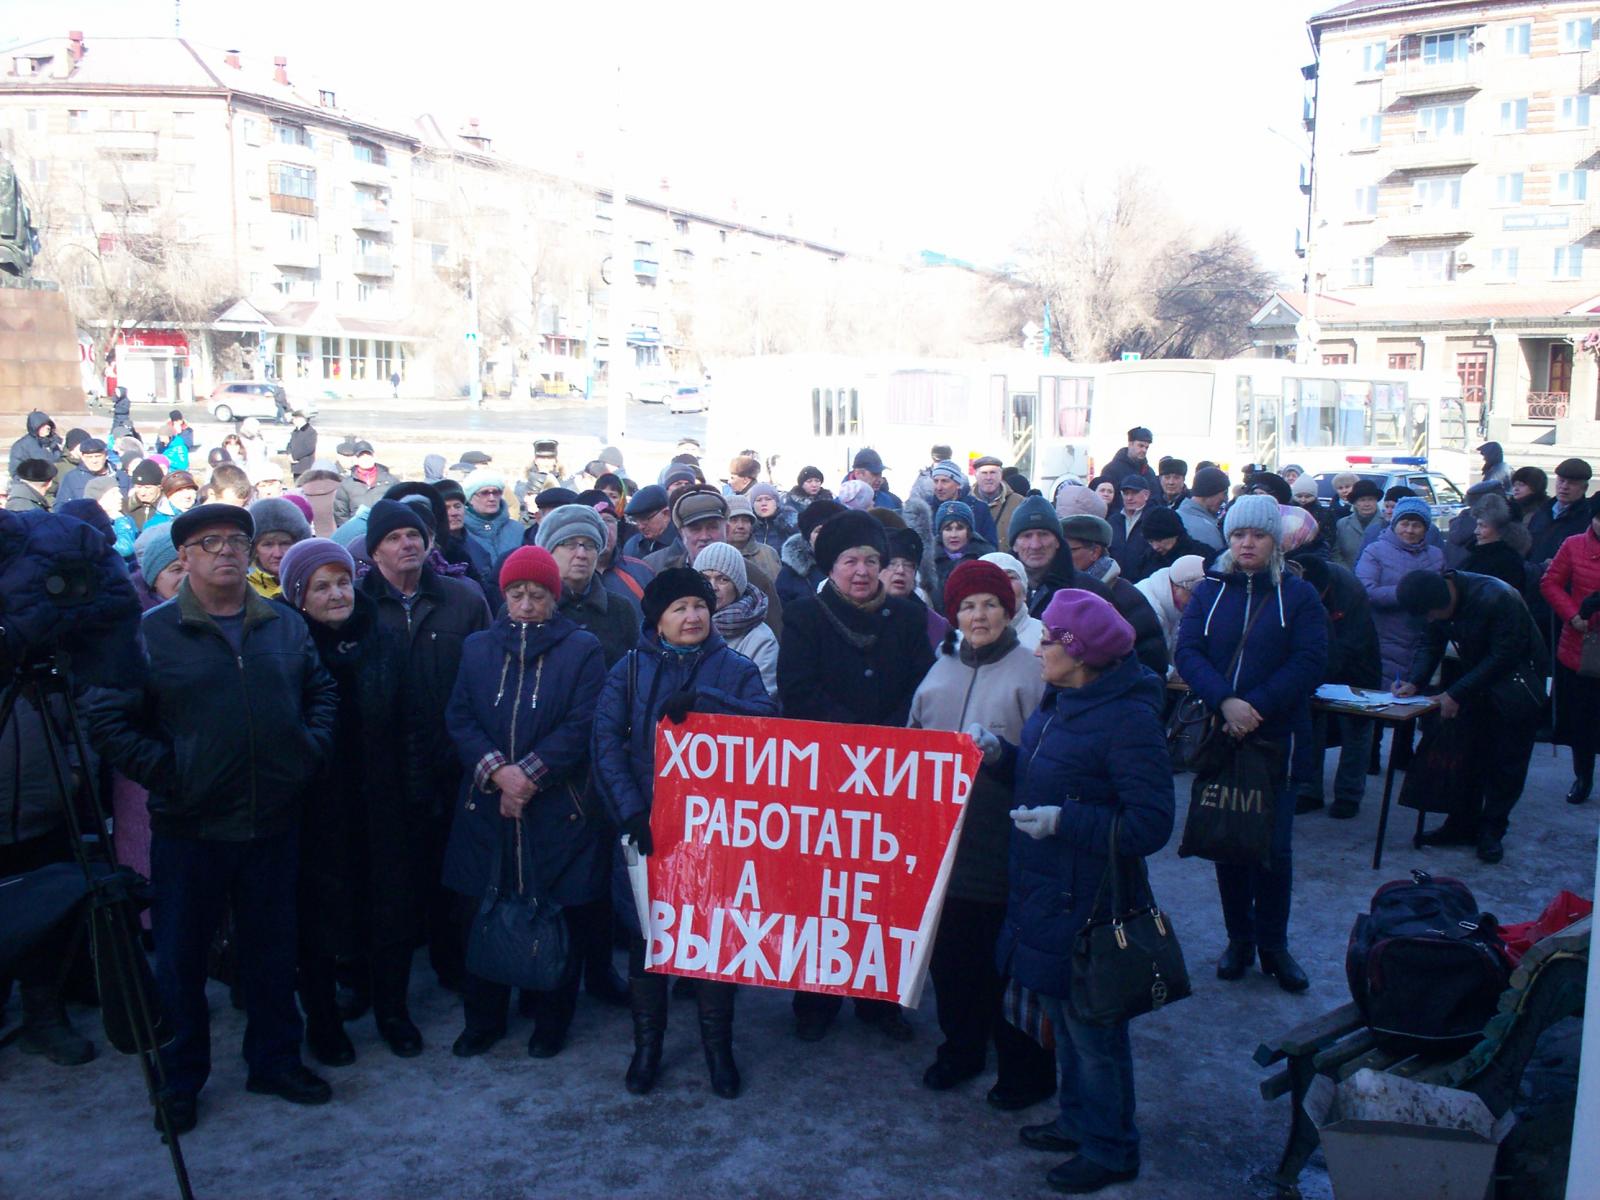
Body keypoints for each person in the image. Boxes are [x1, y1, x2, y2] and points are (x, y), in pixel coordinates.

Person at [86, 503, 339, 1134]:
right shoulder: (150, 633)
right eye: (209, 543)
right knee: (181, 960)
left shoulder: (282, 623)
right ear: (184, 557)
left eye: (236, 541)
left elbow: (321, 692)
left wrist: (307, 751)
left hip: (272, 820)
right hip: (191, 827)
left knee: (272, 952)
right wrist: (172, 772)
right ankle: (179, 1080)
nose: (226, 550)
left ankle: (274, 1060)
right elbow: (109, 718)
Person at [990, 588, 1175, 1195]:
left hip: (1089, 902)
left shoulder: (1127, 720)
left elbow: (1150, 824)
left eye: (1047, 640)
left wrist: (1065, 821)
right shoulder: (1061, 700)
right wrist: (999, 758)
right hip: (1045, 888)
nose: (1037, 648)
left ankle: (1111, 1148)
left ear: (1080, 652)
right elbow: (1044, 774)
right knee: (1064, 1023)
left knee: (1095, 1033)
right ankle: (1077, 1121)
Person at [592, 568, 777, 1097]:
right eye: (680, 609)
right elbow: (605, 742)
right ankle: (647, 1047)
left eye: (699, 606)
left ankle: (719, 1049)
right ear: (658, 620)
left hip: (717, 831)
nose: (692, 616)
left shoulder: (735, 668)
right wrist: (632, 814)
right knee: (647, 939)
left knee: (713, 939)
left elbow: (767, 726)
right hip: (649, 829)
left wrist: (707, 703)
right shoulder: (629, 670)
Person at [442, 546, 610, 1058]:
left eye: (538, 594)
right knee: (484, 910)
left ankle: (551, 1019)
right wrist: (499, 772)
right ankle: (483, 1018)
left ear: (554, 597)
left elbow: (583, 722)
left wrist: (529, 777)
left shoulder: (581, 648)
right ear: (504, 595)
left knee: (556, 913)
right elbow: (460, 716)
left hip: (557, 808)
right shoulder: (477, 647)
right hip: (486, 805)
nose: (527, 604)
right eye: (517, 593)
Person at [777, 511, 935, 1043]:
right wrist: (854, 739)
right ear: (832, 566)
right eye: (850, 561)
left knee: (883, 889)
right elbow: (797, 689)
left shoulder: (908, 617)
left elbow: (921, 687)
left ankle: (878, 999)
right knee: (822, 891)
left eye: (871, 560)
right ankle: (814, 998)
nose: (862, 571)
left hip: (892, 774)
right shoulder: (804, 615)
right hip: (825, 775)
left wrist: (886, 738)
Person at [907, 561, 1055, 1110]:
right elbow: (910, 742)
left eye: (990, 604)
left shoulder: (1032, 672)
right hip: (945, 844)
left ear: (1008, 609)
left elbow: (1049, 759)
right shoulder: (938, 671)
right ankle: (961, 1048)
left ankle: (1020, 1059)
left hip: (1008, 841)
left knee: (1006, 960)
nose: (979, 615)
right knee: (952, 957)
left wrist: (1000, 759)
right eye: (967, 606)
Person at [275, 537, 424, 1063]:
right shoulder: (285, 645)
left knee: (391, 910)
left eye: (343, 582)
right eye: (322, 587)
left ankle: (393, 1011)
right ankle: (324, 1020)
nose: (338, 594)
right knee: (320, 919)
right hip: (316, 806)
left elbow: (409, 719)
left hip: (382, 800)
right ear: (299, 596)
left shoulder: (382, 637)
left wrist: (414, 792)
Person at [1174, 496, 1328, 993]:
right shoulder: (1209, 590)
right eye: (1239, 534)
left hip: (1277, 739)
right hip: (1222, 737)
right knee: (1230, 841)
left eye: (1258, 535)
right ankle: (1238, 939)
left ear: (1274, 541)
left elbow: (1310, 661)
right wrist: (1224, 702)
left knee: (1274, 849)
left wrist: (1253, 706)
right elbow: (1188, 650)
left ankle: (1274, 945)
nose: (1247, 544)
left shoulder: (1298, 595)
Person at [358, 499, 491, 993]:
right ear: (374, 552)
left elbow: (487, 674)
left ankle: (453, 963)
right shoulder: (358, 604)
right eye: (393, 538)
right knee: (392, 879)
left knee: (453, 872)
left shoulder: (464, 599)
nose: (406, 544)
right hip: (384, 765)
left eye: (413, 535)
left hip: (453, 757)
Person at [1396, 570, 1547, 863]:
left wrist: (1456, 693)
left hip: (1516, 688)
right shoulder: (1435, 600)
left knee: (1506, 763)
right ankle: (1461, 824)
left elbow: (1505, 655)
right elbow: (1430, 643)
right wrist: (1415, 681)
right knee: (1467, 756)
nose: (1430, 620)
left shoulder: (1498, 597)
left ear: (1445, 601)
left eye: (1431, 615)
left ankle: (1492, 830)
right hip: (1475, 685)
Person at [0, 683, 96, 1068]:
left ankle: (44, 1017)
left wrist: (76, 770)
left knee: (47, 923)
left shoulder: (40, 655)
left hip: (45, 813)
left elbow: (84, 711)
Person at [1291, 550, 1381, 819]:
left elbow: (1349, 644)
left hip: (1357, 666)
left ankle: (1349, 794)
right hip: (1318, 663)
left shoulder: (1350, 592)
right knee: (1311, 726)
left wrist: (1317, 671)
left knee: (1356, 729)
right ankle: (1309, 790)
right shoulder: (1293, 581)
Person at [644, 485, 782, 636]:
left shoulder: (755, 578)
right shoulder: (662, 575)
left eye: (712, 527)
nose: (704, 536)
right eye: (695, 529)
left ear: (727, 530)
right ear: (682, 534)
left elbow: (775, 633)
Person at [1539, 495, 1600, 804]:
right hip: (1582, 645)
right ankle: (1583, 775)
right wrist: (1573, 615)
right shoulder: (1574, 545)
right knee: (1583, 719)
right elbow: (1550, 583)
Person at [1057, 514, 1169, 677]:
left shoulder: (1123, 598)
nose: (1060, 557)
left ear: (1095, 552)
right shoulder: (1059, 591)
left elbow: (1149, 661)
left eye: (1069, 550)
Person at [1357, 496, 1445, 690]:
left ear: (1426, 529)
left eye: (1416, 525)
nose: (1410, 530)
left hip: (1422, 638)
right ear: (1394, 524)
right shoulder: (1375, 551)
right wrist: (1406, 594)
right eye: (1404, 524)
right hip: (1384, 635)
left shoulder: (1436, 555)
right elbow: (1365, 591)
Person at [697, 542, 779, 696]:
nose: (713, 587)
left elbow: (761, 698)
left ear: (737, 586)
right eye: (705, 578)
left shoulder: (761, 639)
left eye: (723, 579)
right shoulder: (685, 626)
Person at [884, 525, 950, 650]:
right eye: (892, 563)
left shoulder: (935, 624)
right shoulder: (860, 615)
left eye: (908, 565)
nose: (900, 570)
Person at [1133, 553, 1206, 665]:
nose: (1197, 602)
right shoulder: (1149, 609)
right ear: (1176, 587)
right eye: (1193, 594)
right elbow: (1147, 662)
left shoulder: (1170, 606)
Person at [459, 469, 525, 583]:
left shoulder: (517, 529)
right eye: (484, 493)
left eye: (496, 492)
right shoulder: (461, 532)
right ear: (470, 498)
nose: (491, 498)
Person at [775, 497, 843, 607]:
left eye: (830, 529)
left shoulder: (857, 566)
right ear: (808, 536)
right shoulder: (791, 572)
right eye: (818, 531)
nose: (825, 535)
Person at [932, 499, 997, 610]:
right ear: (940, 532)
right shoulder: (928, 562)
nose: (953, 535)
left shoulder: (985, 558)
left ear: (969, 531)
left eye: (959, 528)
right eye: (948, 529)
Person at [1461, 492, 1531, 591]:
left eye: (1483, 526)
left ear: (1501, 530)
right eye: (1477, 525)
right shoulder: (1476, 556)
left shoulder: (1506, 563)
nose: (1476, 531)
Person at [246, 497, 312, 599]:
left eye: (285, 543)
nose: (278, 554)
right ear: (254, 549)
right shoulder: (242, 588)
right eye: (268, 545)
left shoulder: (312, 581)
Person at [981, 551, 1046, 651]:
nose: (1002, 585)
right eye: (991, 579)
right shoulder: (959, 642)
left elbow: (1070, 642)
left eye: (1010, 577)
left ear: (1024, 590)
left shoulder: (1051, 635)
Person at [1134, 505, 1213, 581]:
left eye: (1159, 540)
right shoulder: (1147, 559)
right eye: (1150, 541)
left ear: (1175, 535)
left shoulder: (1201, 555)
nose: (1155, 547)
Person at [333, 442, 396, 525]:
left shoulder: (390, 481)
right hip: (357, 529)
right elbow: (340, 513)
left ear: (374, 457)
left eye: (368, 455)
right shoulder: (346, 484)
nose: (365, 459)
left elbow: (400, 506)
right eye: (361, 456)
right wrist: (349, 529)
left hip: (385, 527)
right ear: (355, 459)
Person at [725, 493, 782, 582]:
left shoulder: (769, 553)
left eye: (745, 520)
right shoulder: (714, 555)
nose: (740, 526)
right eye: (733, 520)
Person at [970, 456, 1023, 550]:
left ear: (1001, 475)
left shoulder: (1019, 503)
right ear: (976, 475)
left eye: (993, 472)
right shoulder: (966, 503)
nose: (988, 477)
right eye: (984, 473)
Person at [1108, 476, 1154, 578]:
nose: (1129, 498)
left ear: (1146, 495)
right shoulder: (1113, 520)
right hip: (1116, 581)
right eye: (1126, 493)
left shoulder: (1154, 519)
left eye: (1134, 493)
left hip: (1144, 581)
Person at [1334, 479, 1384, 569]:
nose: (1367, 504)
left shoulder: (1387, 524)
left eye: (1370, 499)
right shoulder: (1342, 524)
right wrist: (1346, 573)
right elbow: (1336, 554)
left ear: (1376, 501)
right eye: (1362, 500)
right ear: (1355, 503)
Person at [1103, 426, 1160, 504]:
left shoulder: (1149, 472)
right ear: (1130, 444)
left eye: (1146, 447)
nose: (1144, 450)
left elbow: (1155, 497)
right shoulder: (1111, 469)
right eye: (1140, 446)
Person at [1177, 467, 1228, 553]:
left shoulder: (1176, 515)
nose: (1225, 499)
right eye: (1224, 493)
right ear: (1210, 492)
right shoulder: (1206, 530)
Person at [622, 484, 677, 559]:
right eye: (635, 520)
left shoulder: (682, 543)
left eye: (645, 519)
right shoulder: (632, 546)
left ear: (666, 514)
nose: (640, 526)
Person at [56, 438, 114, 504]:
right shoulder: (72, 478)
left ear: (106, 455)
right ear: (83, 457)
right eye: (89, 457)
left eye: (98, 456)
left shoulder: (119, 476)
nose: (94, 461)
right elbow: (61, 504)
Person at [850, 447, 903, 511]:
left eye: (880, 474)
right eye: (875, 474)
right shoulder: (841, 504)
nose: (879, 479)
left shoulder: (893, 502)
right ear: (858, 473)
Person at [287, 411, 318, 478]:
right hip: (295, 466)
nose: (293, 421)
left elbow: (309, 448)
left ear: (301, 419)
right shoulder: (295, 431)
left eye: (294, 419)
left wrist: (294, 456)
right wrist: (289, 454)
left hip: (305, 466)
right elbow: (290, 444)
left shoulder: (310, 432)